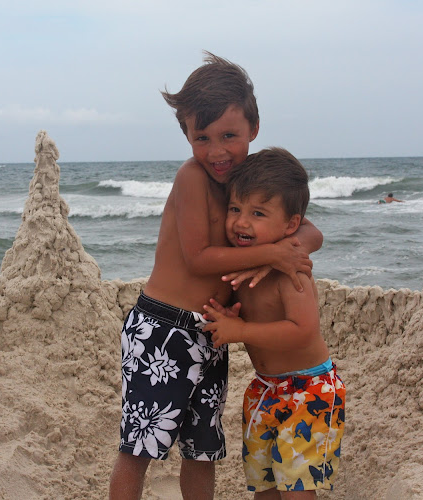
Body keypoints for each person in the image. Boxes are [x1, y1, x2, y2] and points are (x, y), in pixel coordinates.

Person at [108, 53, 323, 500]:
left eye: (229, 135)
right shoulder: (192, 177)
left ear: (254, 129)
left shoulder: (249, 185)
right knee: (138, 448)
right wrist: (272, 253)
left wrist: (278, 255)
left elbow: (310, 232)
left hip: (210, 334)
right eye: (201, 138)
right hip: (162, 329)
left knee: (201, 451)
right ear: (186, 135)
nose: (216, 151)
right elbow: (197, 258)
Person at [203, 148, 345, 498]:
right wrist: (234, 319)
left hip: (309, 390)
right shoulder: (242, 264)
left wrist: (241, 331)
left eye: (258, 213)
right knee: (263, 484)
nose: (241, 222)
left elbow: (303, 331)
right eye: (235, 209)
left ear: (291, 225)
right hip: (264, 389)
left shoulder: (290, 271)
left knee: (298, 487)